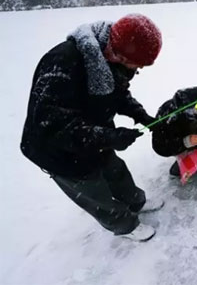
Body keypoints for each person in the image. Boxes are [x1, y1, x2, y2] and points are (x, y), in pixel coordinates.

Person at [21, 14, 164, 241]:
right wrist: (109, 137)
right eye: (138, 64)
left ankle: (135, 201)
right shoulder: (62, 63)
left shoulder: (110, 60)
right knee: (94, 192)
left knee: (115, 170)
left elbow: (117, 94)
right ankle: (124, 225)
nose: (139, 69)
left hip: (94, 137)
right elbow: (52, 126)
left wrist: (141, 115)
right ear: (119, 54)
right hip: (59, 152)